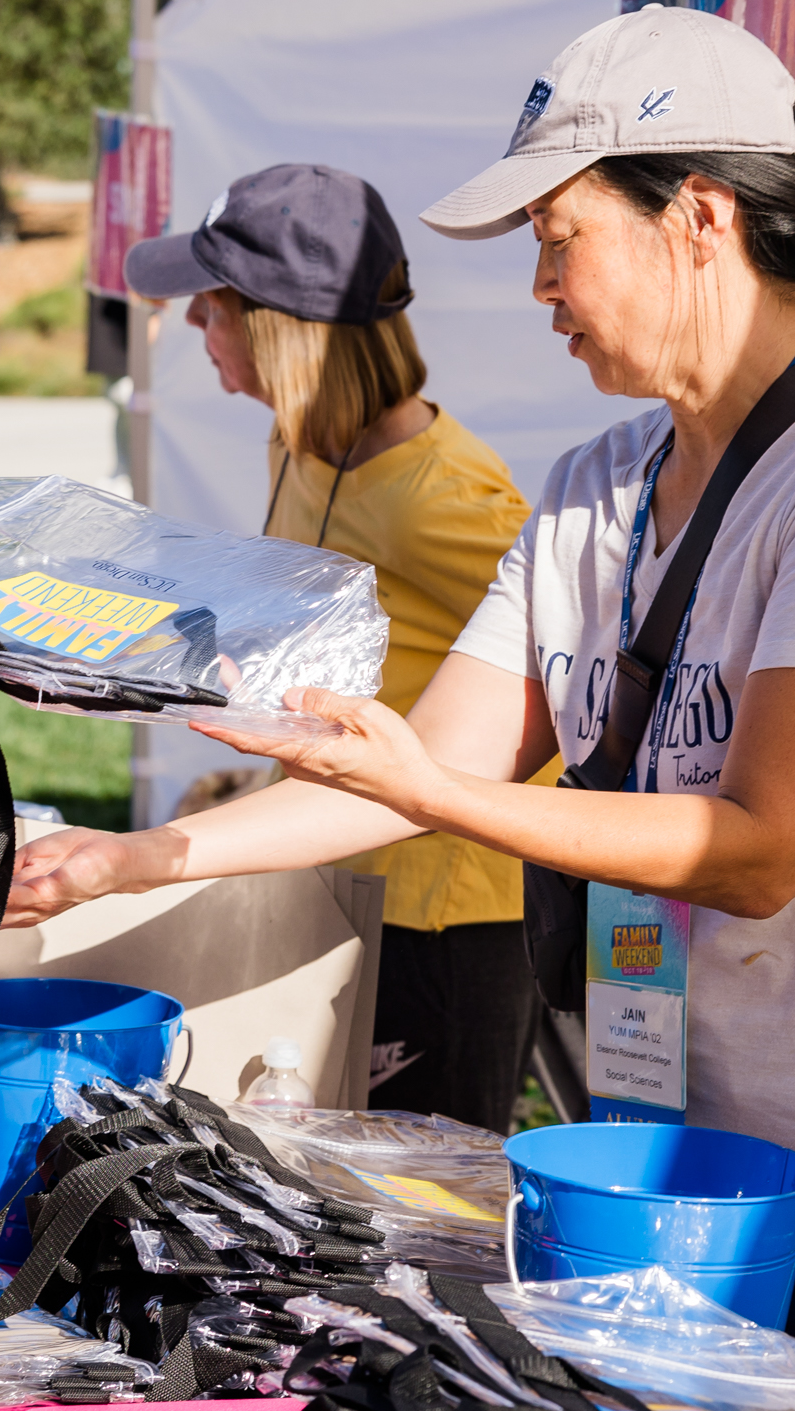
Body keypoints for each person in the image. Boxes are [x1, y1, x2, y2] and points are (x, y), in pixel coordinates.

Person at [2, 7, 795, 1410]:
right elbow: (418, 761)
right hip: (658, 1164)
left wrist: (434, 796)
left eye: (558, 236)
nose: (538, 287)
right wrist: (146, 858)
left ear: (697, 215)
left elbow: (761, 848)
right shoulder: (594, 489)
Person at [121, 162, 546, 1134]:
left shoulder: (438, 498)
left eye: (211, 305)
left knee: (422, 1207)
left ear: (280, 328)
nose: (193, 327)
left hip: (446, 925)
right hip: (337, 875)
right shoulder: (299, 443)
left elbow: (569, 683)